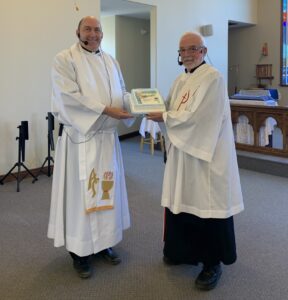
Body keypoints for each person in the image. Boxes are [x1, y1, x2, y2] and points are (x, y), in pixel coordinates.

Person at [147, 32, 244, 290]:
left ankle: (212, 263)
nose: (187, 53)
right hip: (183, 154)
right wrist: (151, 104)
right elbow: (171, 106)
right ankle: (183, 252)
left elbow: (201, 119)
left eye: (193, 48)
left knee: (206, 205)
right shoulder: (180, 80)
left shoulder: (213, 78)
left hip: (206, 156)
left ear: (203, 50)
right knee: (183, 200)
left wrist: (165, 118)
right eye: (183, 49)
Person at [47, 16, 134, 279]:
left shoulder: (110, 61)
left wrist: (138, 103)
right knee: (80, 197)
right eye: (88, 29)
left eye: (98, 29)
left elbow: (122, 92)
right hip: (80, 141)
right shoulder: (65, 59)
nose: (93, 34)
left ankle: (105, 243)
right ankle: (80, 253)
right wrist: (107, 110)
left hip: (106, 140)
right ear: (78, 32)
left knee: (108, 190)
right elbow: (68, 98)